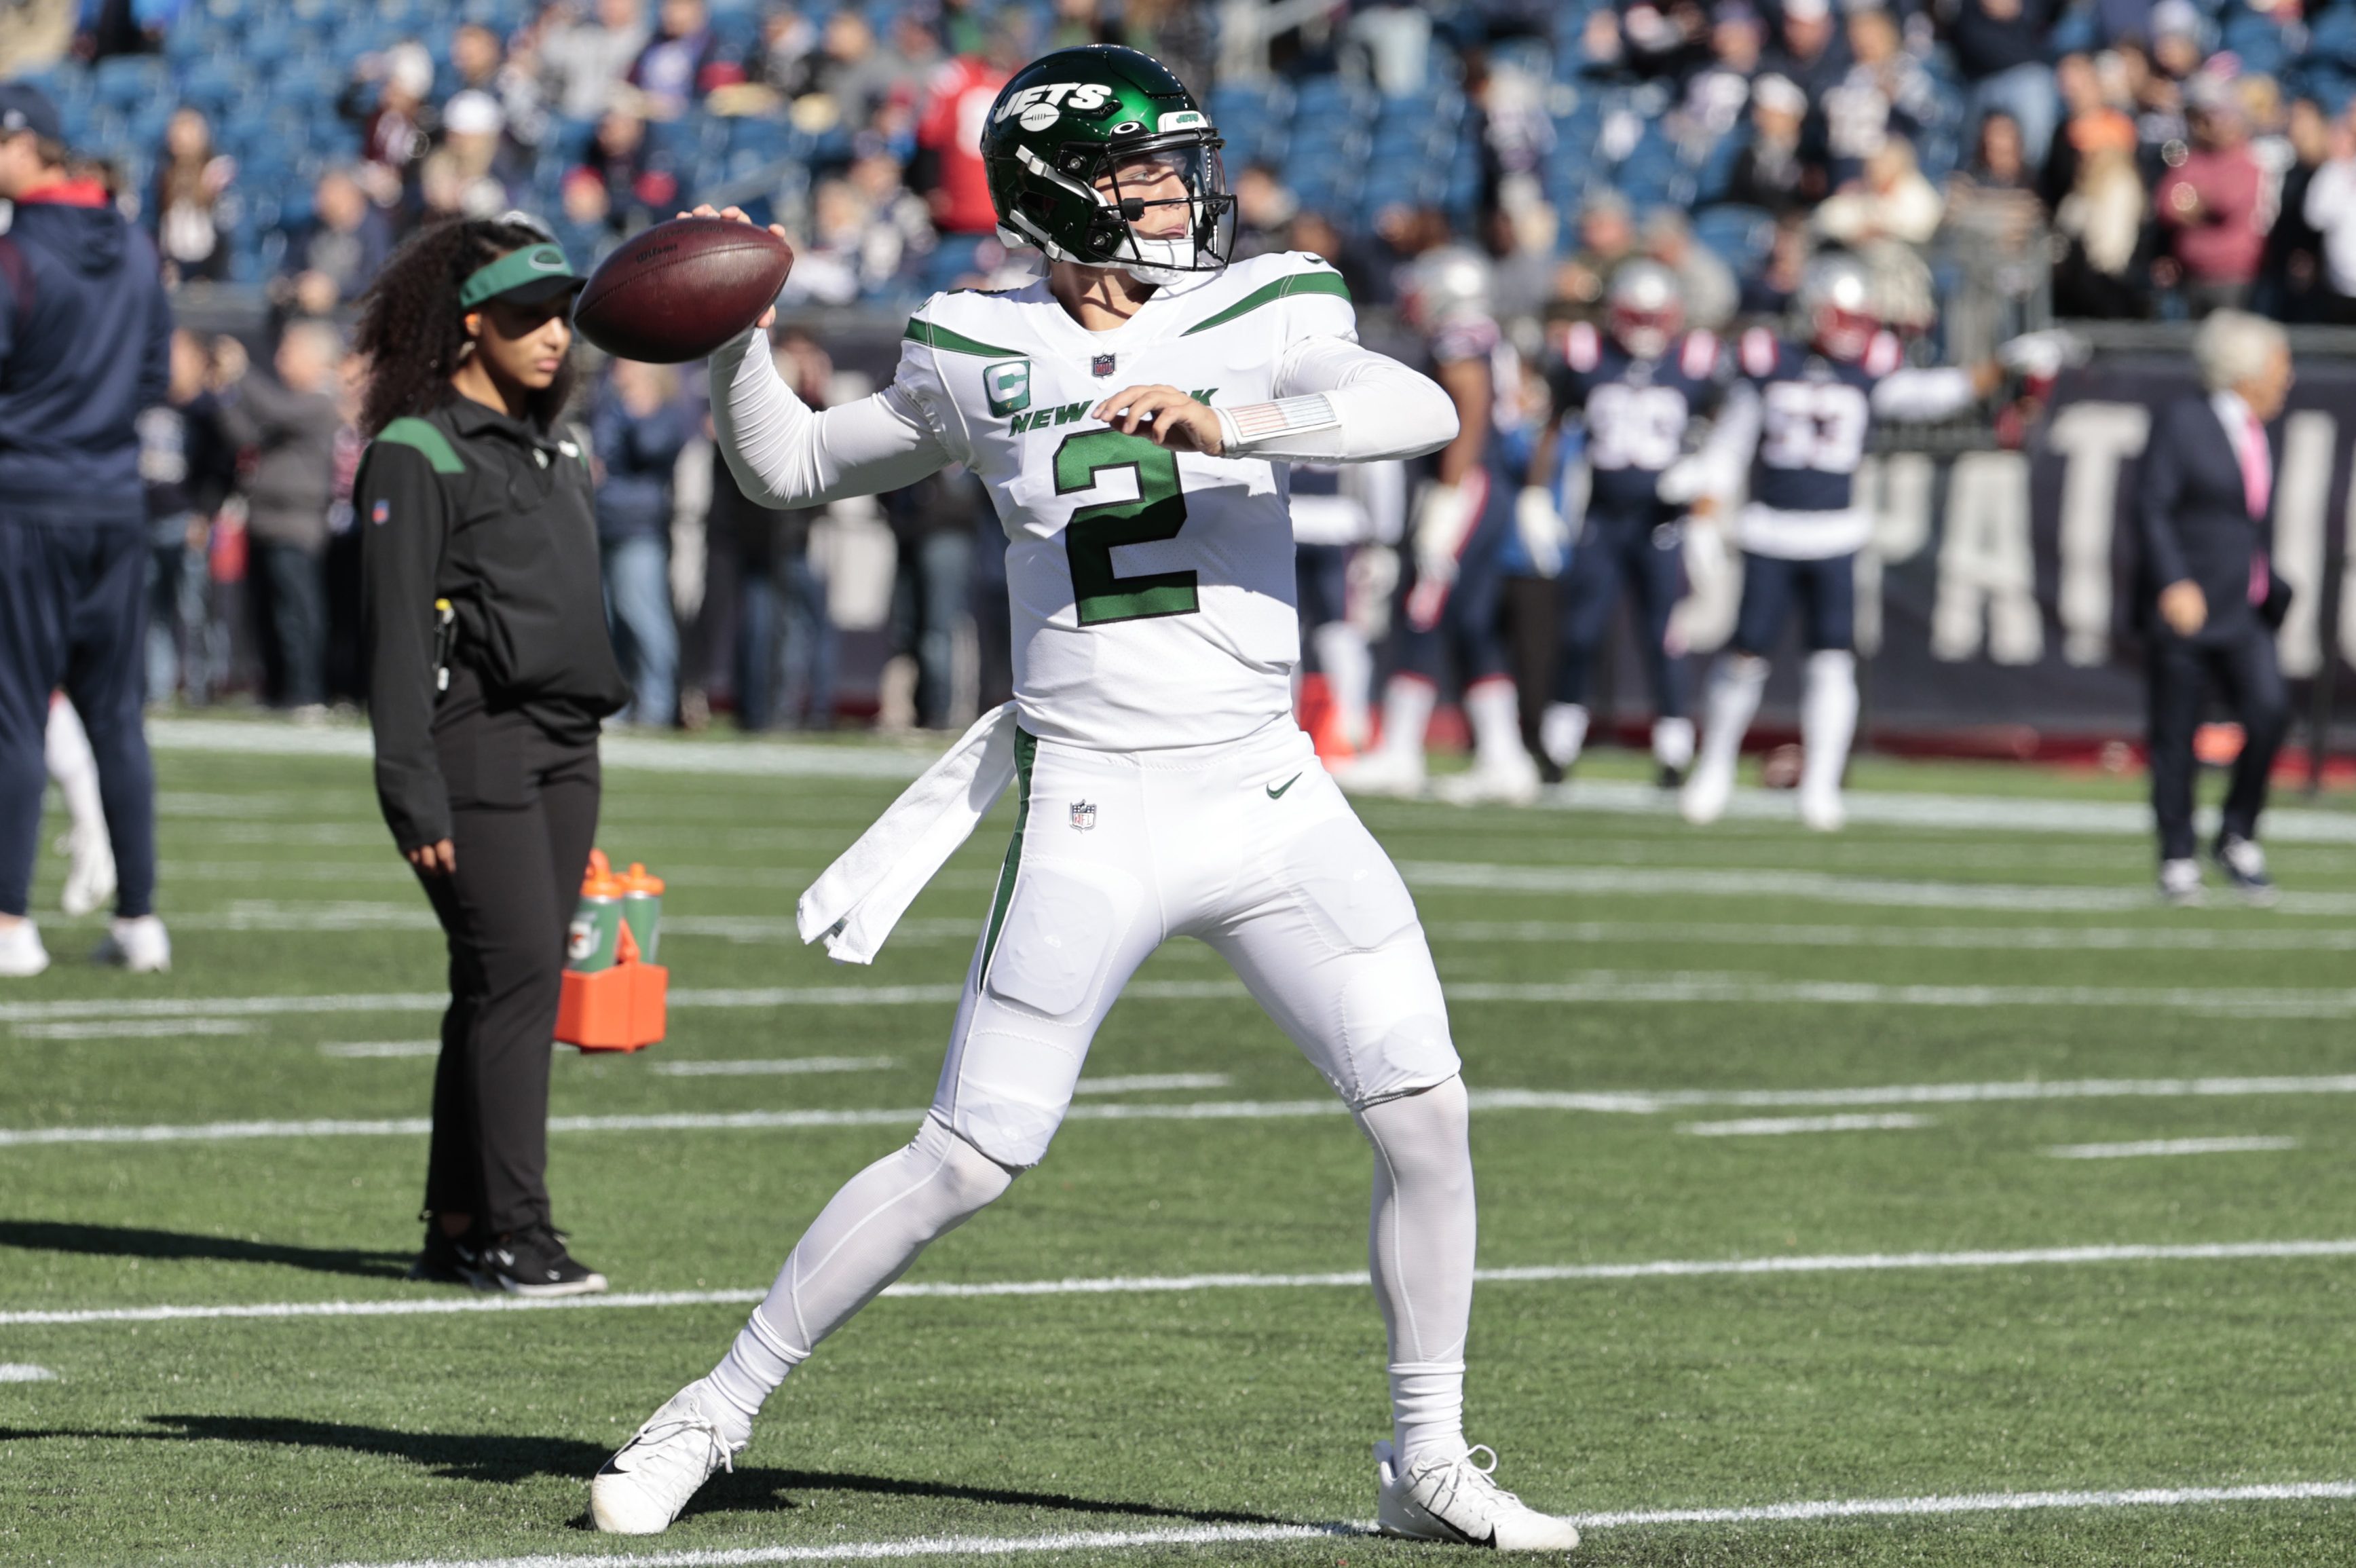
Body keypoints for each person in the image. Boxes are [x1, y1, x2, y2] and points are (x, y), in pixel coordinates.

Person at [589, 44, 1581, 1552]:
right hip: (1095, 804)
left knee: (1426, 1112)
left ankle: (1425, 1457)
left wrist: (1233, 423)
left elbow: (1413, 413)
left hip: (1268, 790)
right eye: (1141, 178)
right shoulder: (969, 342)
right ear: (1057, 199)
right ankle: (709, 1413)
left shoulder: (1269, 307)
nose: (1182, 198)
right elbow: (788, 469)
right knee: (968, 1159)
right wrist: (737, 338)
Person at [352, 218, 629, 1294]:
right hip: (478, 747)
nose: (553, 336)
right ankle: (518, 1233)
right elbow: (386, 644)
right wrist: (410, 793)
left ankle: (459, 1223)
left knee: (493, 983)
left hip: (569, 745)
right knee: (519, 982)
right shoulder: (414, 450)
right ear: (472, 327)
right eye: (526, 318)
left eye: (562, 317)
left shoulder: (561, 445)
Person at [1670, 254, 2001, 831]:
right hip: (1771, 527)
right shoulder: (1770, 362)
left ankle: (1820, 786)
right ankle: (1714, 769)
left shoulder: (1870, 366)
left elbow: (1927, 395)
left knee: (1831, 662)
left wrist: (1996, 369)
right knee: (1745, 657)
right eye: (1840, 316)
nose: (1851, 329)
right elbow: (1729, 445)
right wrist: (1703, 516)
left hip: (1834, 533)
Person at [0, 83, 174, 979]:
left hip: (27, 497)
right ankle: (141, 917)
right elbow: (154, 377)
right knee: (117, 716)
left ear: (28, 147)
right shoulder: (140, 249)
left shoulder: (17, 254)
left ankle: (9, 923)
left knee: (15, 711)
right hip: (113, 496)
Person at [1334, 244, 1543, 805]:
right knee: (1472, 622)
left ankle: (1401, 750)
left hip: (1468, 485)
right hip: (1490, 484)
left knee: (1423, 611)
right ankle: (1504, 758)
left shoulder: (1461, 334)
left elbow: (1469, 405)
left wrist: (1449, 494)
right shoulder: (1491, 333)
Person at [1541, 261, 1724, 787]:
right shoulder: (1585, 355)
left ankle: (1672, 750)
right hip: (1601, 514)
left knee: (1663, 635)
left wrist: (1703, 480)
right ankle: (1559, 744)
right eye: (1634, 315)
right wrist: (1540, 494)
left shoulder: (1695, 361)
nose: (1644, 327)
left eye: (1654, 316)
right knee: (1580, 630)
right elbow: (1553, 426)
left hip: (1663, 521)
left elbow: (1724, 430)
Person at [2136, 310, 2292, 906]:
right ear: (2245, 371)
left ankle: (2236, 833)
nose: (2285, 379)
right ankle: (2176, 854)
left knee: (2269, 713)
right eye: (2278, 366)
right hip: (2190, 605)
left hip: (2243, 605)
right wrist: (2174, 580)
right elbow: (2151, 506)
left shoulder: (2256, 429)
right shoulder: (2183, 422)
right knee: (2176, 731)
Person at [215, 322, 345, 716]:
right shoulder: (287, 403)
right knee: (266, 613)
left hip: (297, 522)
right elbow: (245, 436)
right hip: (265, 518)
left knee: (297, 613)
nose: (280, 358)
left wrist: (242, 374)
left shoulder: (321, 400)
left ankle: (306, 692)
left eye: (290, 350)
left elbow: (274, 410)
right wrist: (224, 393)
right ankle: (274, 689)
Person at [591, 358, 694, 726]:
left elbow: (652, 448)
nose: (620, 367)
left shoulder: (665, 407)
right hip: (602, 520)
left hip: (639, 526)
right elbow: (600, 456)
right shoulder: (608, 401)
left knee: (643, 616)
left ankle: (658, 704)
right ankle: (617, 705)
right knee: (608, 620)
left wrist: (637, 413)